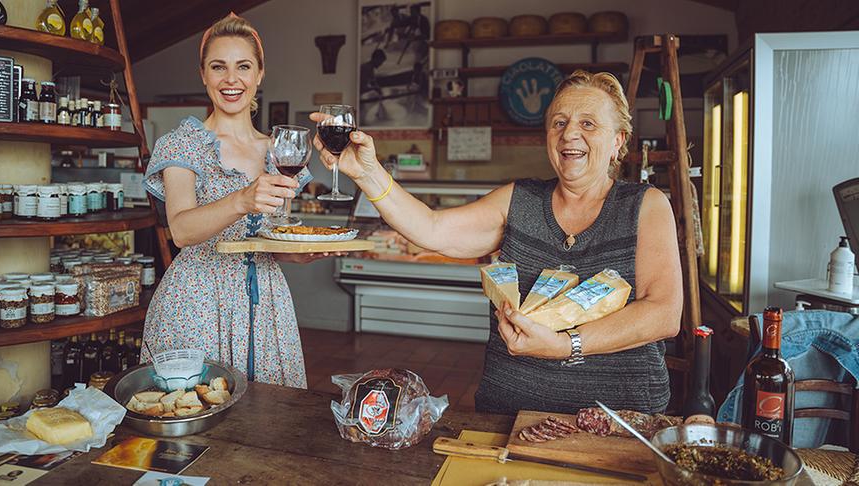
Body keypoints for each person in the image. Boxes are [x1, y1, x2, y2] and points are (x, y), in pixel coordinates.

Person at [311, 70, 683, 414]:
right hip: (509, 413)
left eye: (588, 124)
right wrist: (367, 173)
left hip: (621, 420)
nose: (570, 134)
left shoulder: (645, 205)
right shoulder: (519, 199)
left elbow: (664, 313)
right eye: (559, 123)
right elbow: (433, 229)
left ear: (618, 141)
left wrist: (565, 345)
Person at [141, 14, 327, 386]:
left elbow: (271, 236)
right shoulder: (184, 144)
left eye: (243, 67)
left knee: (269, 422)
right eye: (218, 67)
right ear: (203, 75)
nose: (231, 79)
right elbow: (180, 230)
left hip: (267, 303)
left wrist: (295, 252)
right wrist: (242, 199)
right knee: (194, 414)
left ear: (259, 74)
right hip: (196, 300)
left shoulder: (279, 151)